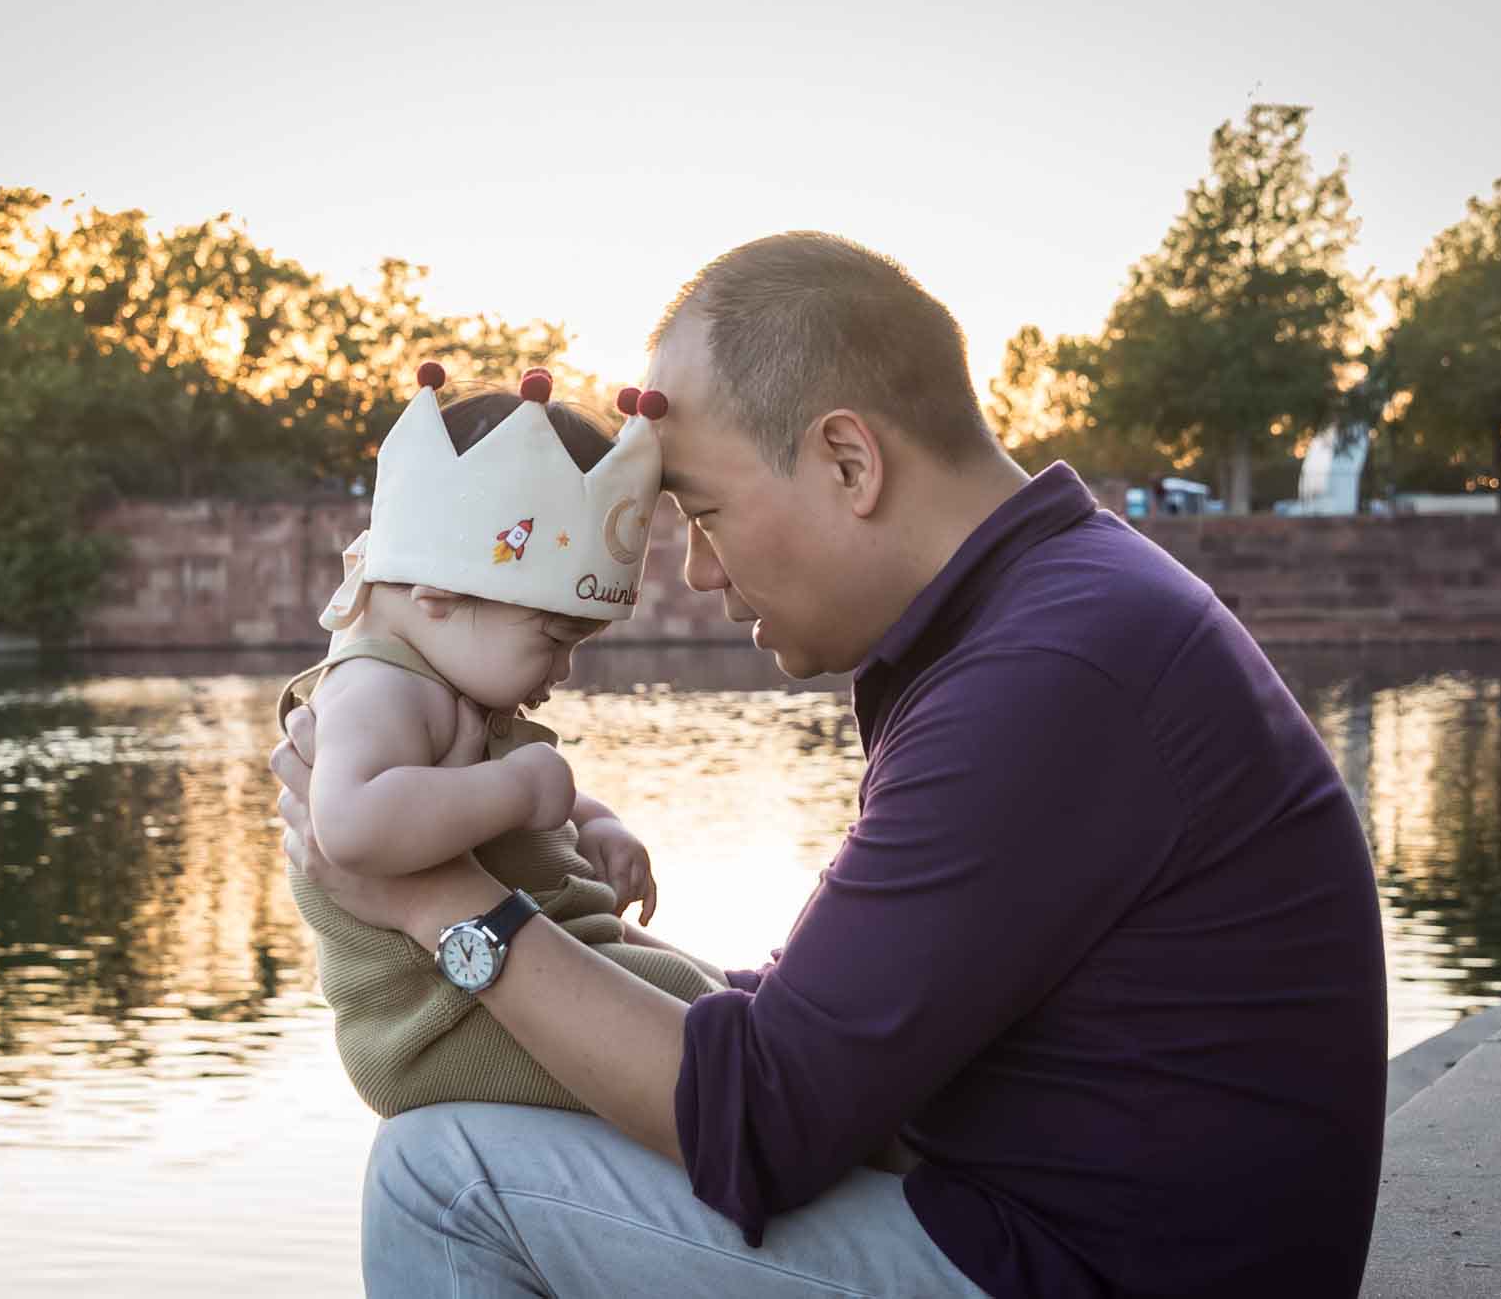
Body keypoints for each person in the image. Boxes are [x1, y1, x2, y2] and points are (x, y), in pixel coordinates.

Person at [273, 233, 1388, 1297]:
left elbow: (762, 1123)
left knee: (442, 1173)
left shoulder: (1048, 671)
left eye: (704, 515)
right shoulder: (1049, 617)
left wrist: (431, 900)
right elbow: (831, 1037)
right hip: (1071, 1230)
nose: (700, 573)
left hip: (1086, 1269)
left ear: (847, 461)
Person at [276, 362, 724, 1119]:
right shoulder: (376, 687)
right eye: (554, 637)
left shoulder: (447, 679)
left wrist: (595, 820)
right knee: (707, 1022)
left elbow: (501, 795)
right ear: (440, 594)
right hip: (439, 1025)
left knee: (719, 996)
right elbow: (350, 825)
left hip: (508, 977)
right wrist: (521, 787)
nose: (565, 668)